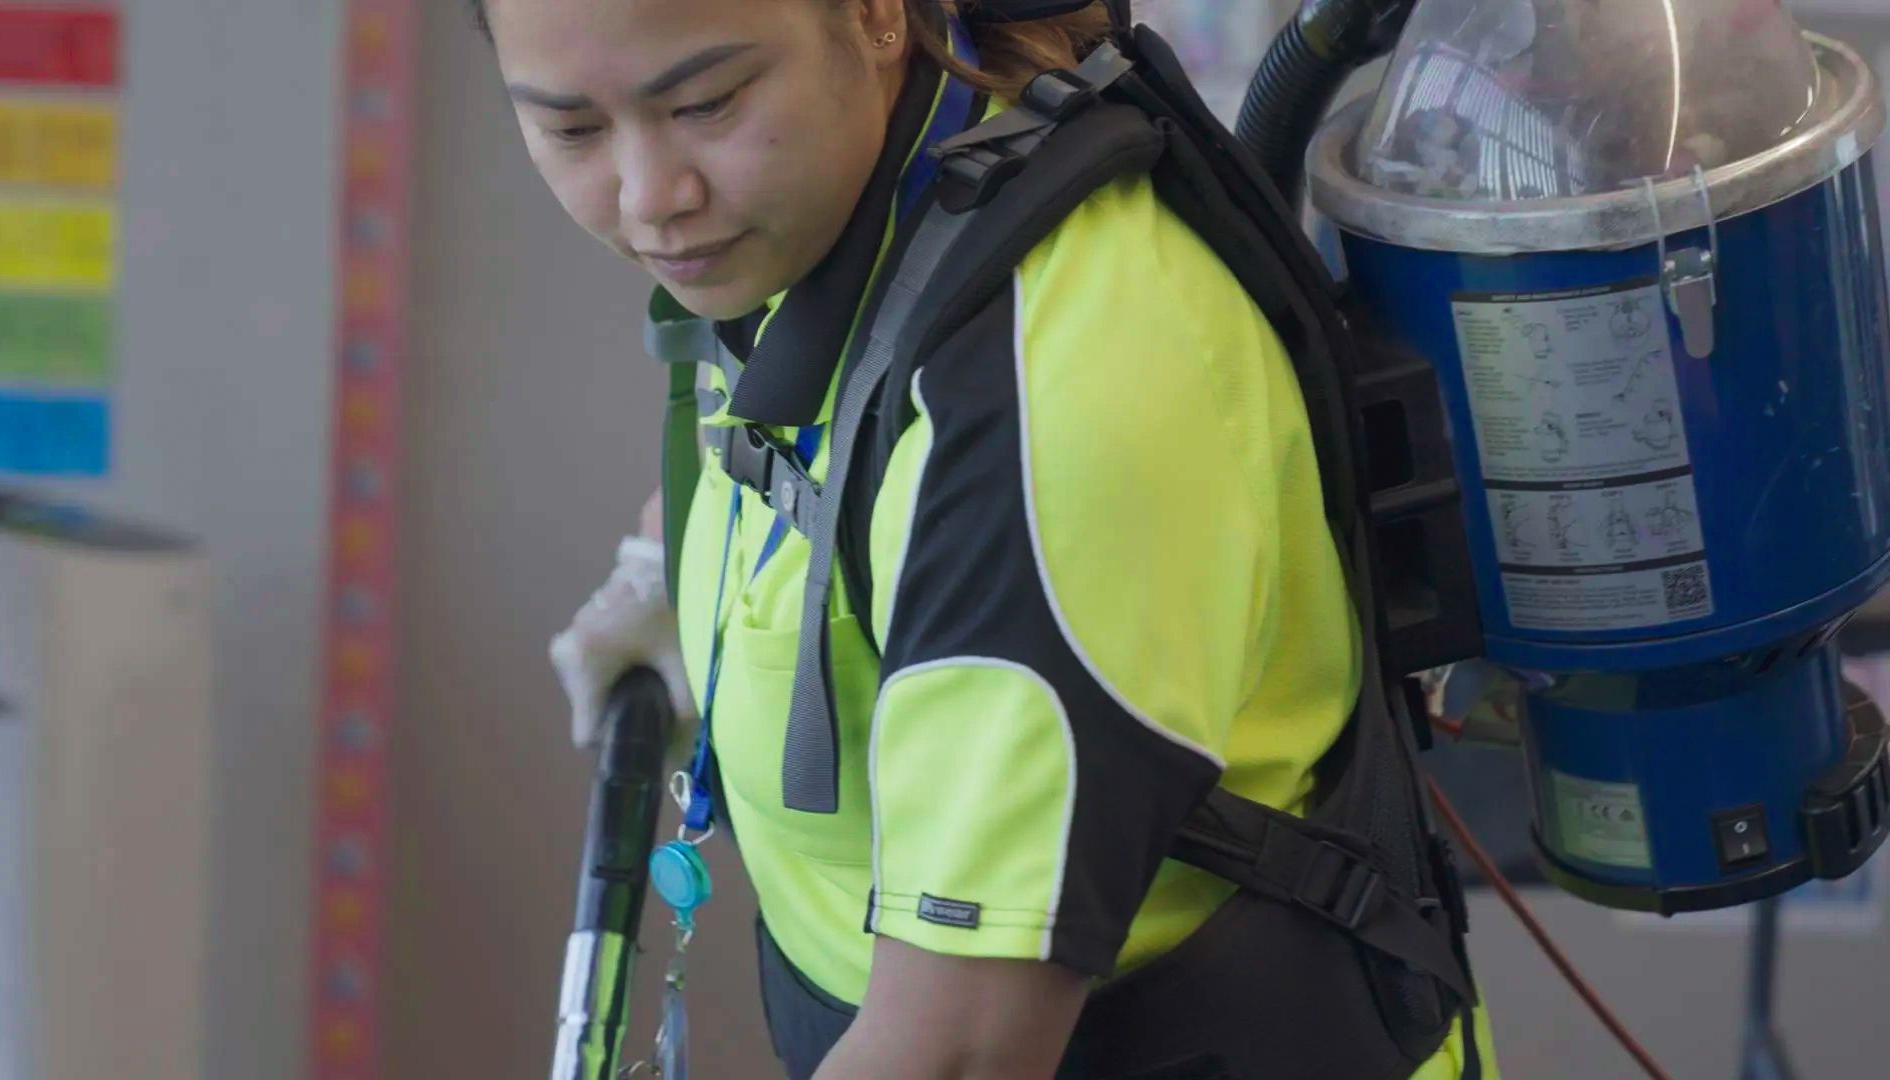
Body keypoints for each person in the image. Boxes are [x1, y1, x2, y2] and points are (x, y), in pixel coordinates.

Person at [476, 0, 1497, 1076]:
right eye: (572, 129)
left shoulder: (1063, 389)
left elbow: (956, 1053)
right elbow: (830, 430)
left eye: (705, 102)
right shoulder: (855, 194)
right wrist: (670, 558)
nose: (651, 200)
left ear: (874, 15)